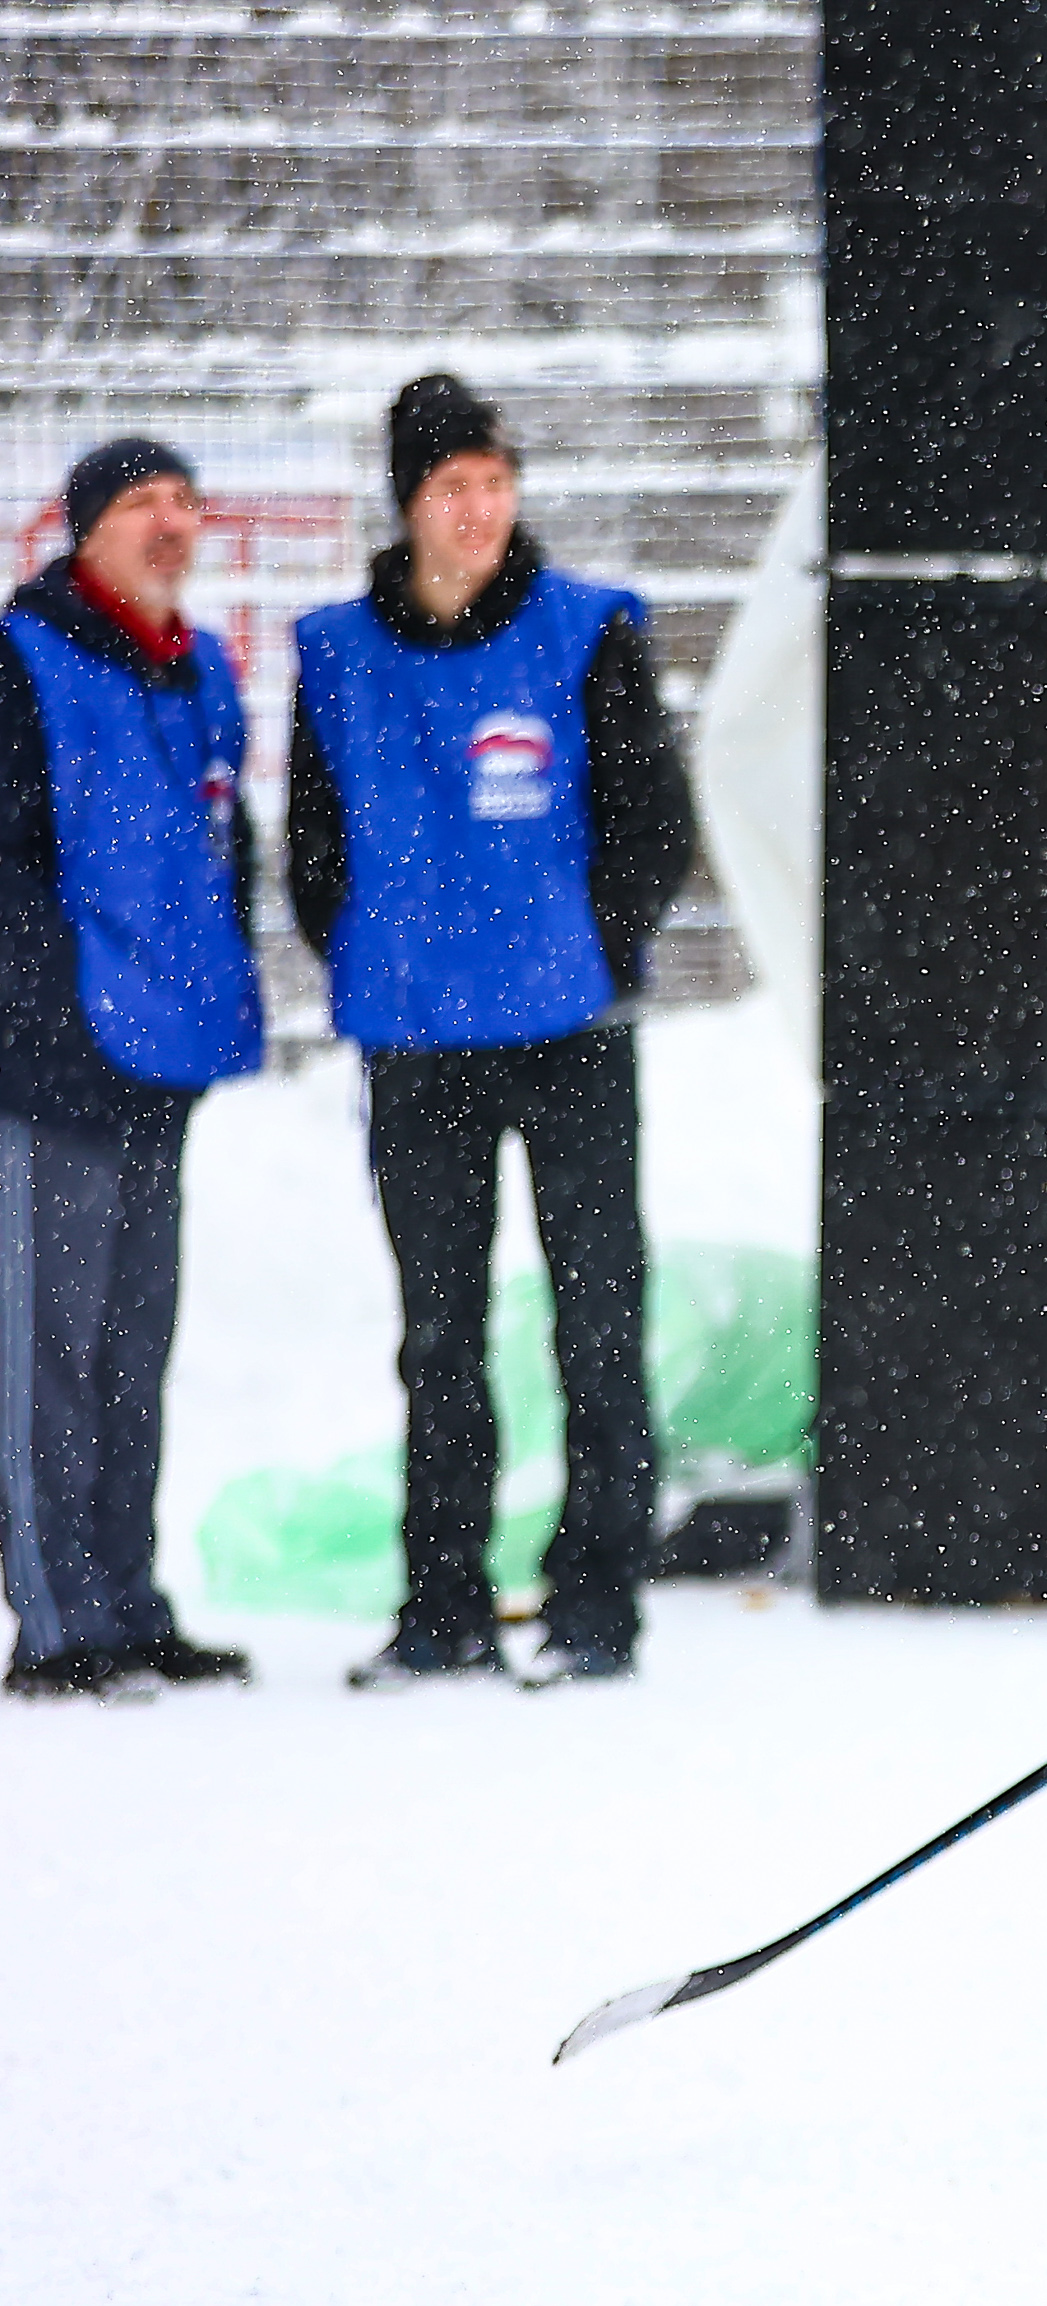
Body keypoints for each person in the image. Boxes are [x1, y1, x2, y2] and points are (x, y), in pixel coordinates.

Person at [290, 373, 696, 1690]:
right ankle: (444, 1604)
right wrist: (372, 946)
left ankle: (596, 1603)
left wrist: (588, 940)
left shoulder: (584, 633)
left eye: (495, 484)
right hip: (415, 1042)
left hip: (568, 1030)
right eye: (450, 488)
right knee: (438, 1336)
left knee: (597, 1319)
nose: (477, 511)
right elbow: (312, 845)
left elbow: (651, 822)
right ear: (407, 503)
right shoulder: (340, 656)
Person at [0, 440, 265, 1702]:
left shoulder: (196, 667)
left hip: (159, 1052)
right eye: (140, 506)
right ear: (82, 530)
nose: (170, 525)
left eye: (184, 504)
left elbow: (226, 847)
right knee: (43, 1348)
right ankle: (58, 1623)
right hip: (55, 1059)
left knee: (131, 1344)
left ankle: (130, 1595)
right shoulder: (24, 660)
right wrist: (47, 1010)